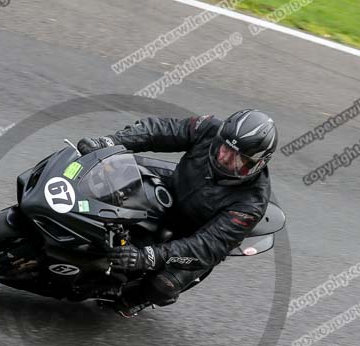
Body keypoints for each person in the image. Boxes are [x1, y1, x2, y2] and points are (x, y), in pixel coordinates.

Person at [77, 109, 277, 317]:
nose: (224, 157)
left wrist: (149, 257)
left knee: (163, 286)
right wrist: (110, 142)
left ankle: (135, 299)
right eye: (224, 148)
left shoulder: (251, 203)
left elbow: (208, 246)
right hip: (175, 187)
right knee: (113, 171)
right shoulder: (209, 128)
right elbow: (162, 130)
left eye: (238, 158)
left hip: (194, 234)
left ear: (257, 163)